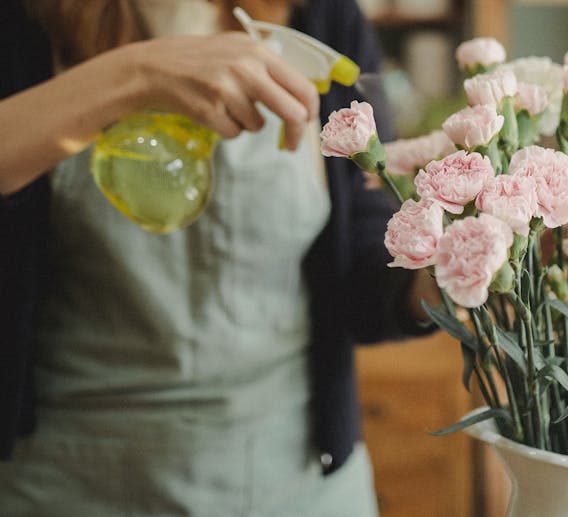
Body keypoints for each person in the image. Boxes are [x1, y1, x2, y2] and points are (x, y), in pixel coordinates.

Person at [0, 0, 437, 515]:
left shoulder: (323, 17)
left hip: (295, 478)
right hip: (69, 479)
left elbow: (361, 251)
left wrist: (432, 281)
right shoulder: (21, 22)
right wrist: (136, 75)